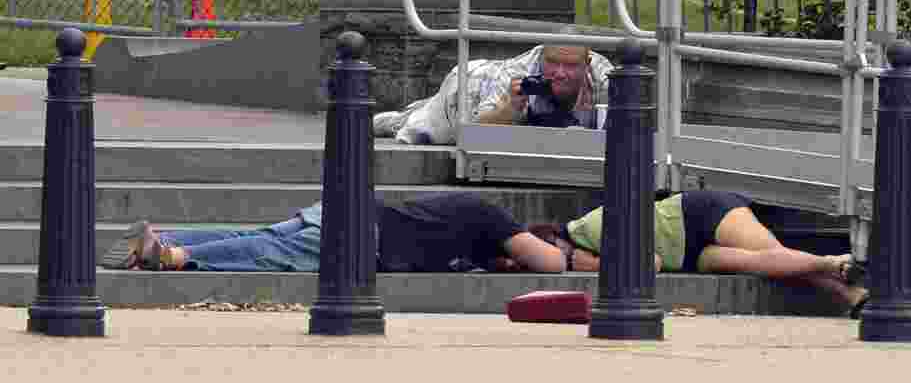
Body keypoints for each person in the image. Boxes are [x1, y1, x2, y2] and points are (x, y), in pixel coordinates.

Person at [528, 190, 871, 319]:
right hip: (690, 254)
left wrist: (596, 264)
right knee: (758, 263)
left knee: (771, 253)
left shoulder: (594, 227)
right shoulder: (583, 244)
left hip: (699, 214)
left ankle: (835, 265)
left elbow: (651, 264)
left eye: (553, 254)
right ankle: (852, 292)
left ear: (557, 240)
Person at [101, 191, 568, 274]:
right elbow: (552, 263)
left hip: (344, 213)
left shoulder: (462, 224)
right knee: (266, 251)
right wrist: (571, 254)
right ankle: (173, 256)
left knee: (254, 238)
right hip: (360, 236)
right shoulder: (493, 218)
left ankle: (162, 238)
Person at [373, 30, 615, 145]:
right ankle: (389, 120)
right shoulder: (517, 74)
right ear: (541, 57)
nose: (560, 73)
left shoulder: (604, 76)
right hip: (468, 88)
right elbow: (474, 132)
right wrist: (509, 110)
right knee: (419, 129)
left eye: (571, 66)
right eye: (553, 63)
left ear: (587, 63)